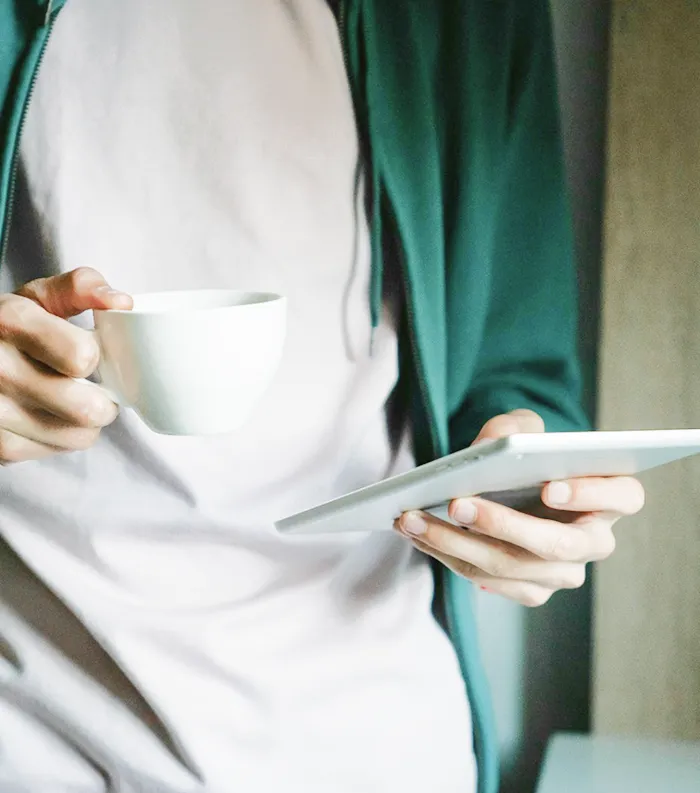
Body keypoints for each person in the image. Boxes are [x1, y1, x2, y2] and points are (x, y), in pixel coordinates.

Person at [0, 2, 645, 792]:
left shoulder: (478, 18)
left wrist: (531, 490)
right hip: (36, 738)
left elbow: (519, 368)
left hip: (379, 745)